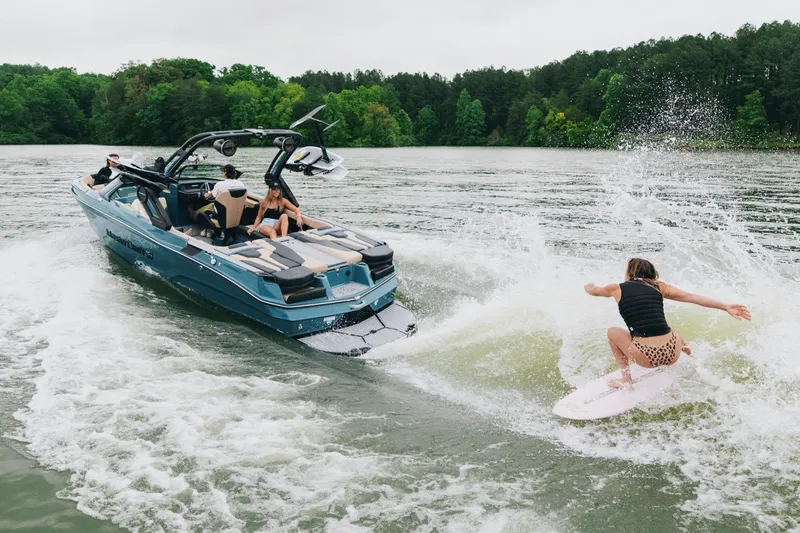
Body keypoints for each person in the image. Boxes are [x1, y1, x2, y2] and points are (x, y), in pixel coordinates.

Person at [584, 258, 751, 389]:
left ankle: (626, 380)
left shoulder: (616, 288)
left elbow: (594, 291)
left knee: (612, 332)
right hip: (673, 353)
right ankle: (689, 355)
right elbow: (692, 297)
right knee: (666, 327)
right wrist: (725, 306)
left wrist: (589, 286)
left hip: (645, 358)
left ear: (629, 274)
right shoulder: (659, 287)